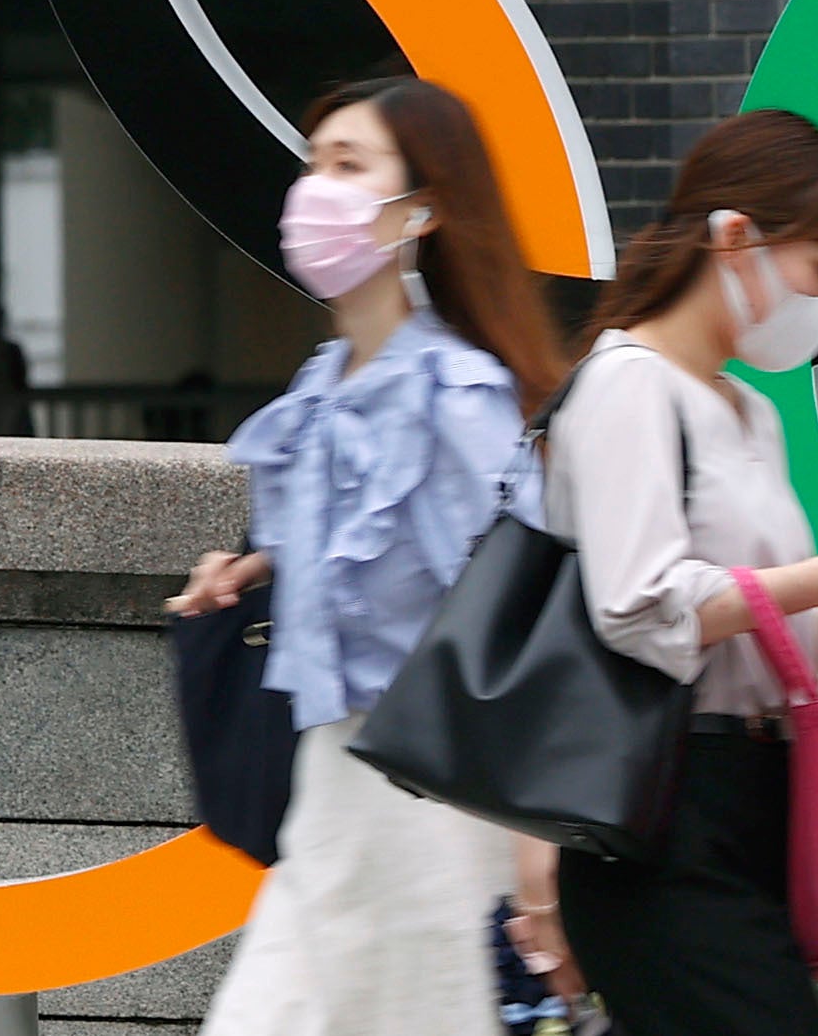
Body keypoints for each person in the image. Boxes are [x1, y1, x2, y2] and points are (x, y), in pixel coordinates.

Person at [522, 108, 818, 1036]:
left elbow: (780, 640)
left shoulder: (750, 412)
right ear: (735, 237)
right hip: (659, 809)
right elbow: (640, 606)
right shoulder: (629, 384)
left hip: (751, 798)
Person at [170, 76, 569, 1036]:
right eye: (315, 164)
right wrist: (258, 566)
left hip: (435, 805)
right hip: (332, 782)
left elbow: (518, 609)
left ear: (420, 211)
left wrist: (534, 854)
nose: (317, 190)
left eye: (350, 166)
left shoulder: (458, 398)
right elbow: (369, 546)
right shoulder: (324, 387)